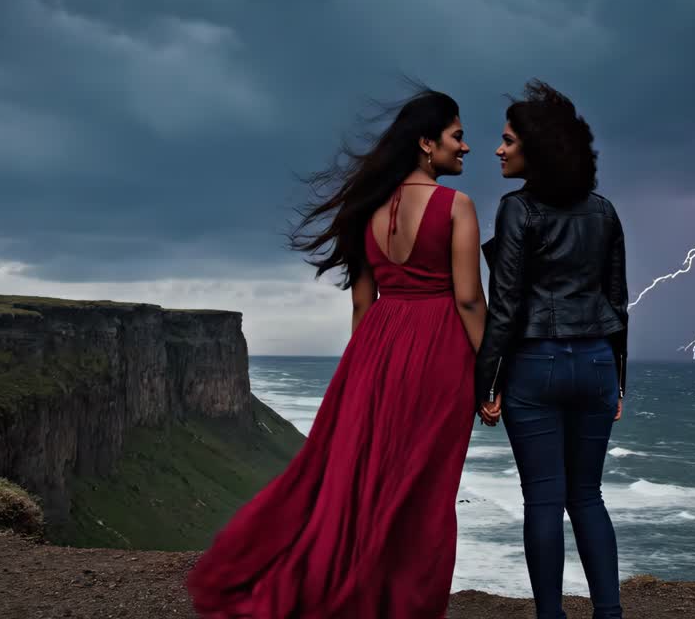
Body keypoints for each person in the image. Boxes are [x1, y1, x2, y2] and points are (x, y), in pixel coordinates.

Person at [185, 84, 487, 618]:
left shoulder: (365, 208)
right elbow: (467, 299)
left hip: (376, 348)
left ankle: (356, 585)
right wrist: (493, 371)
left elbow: (363, 303)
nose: (465, 146)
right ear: (426, 143)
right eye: (457, 136)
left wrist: (364, 373)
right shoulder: (455, 206)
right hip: (439, 349)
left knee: (365, 477)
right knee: (425, 487)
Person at [475, 79, 628, 619]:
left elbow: (505, 304)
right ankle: (609, 613)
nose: (498, 150)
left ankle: (551, 616)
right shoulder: (604, 211)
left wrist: (487, 383)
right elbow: (618, 302)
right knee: (587, 496)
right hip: (597, 363)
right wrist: (619, 382)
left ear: (535, 149)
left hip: (535, 365)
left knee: (543, 499)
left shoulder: (517, 209)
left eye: (508, 140)